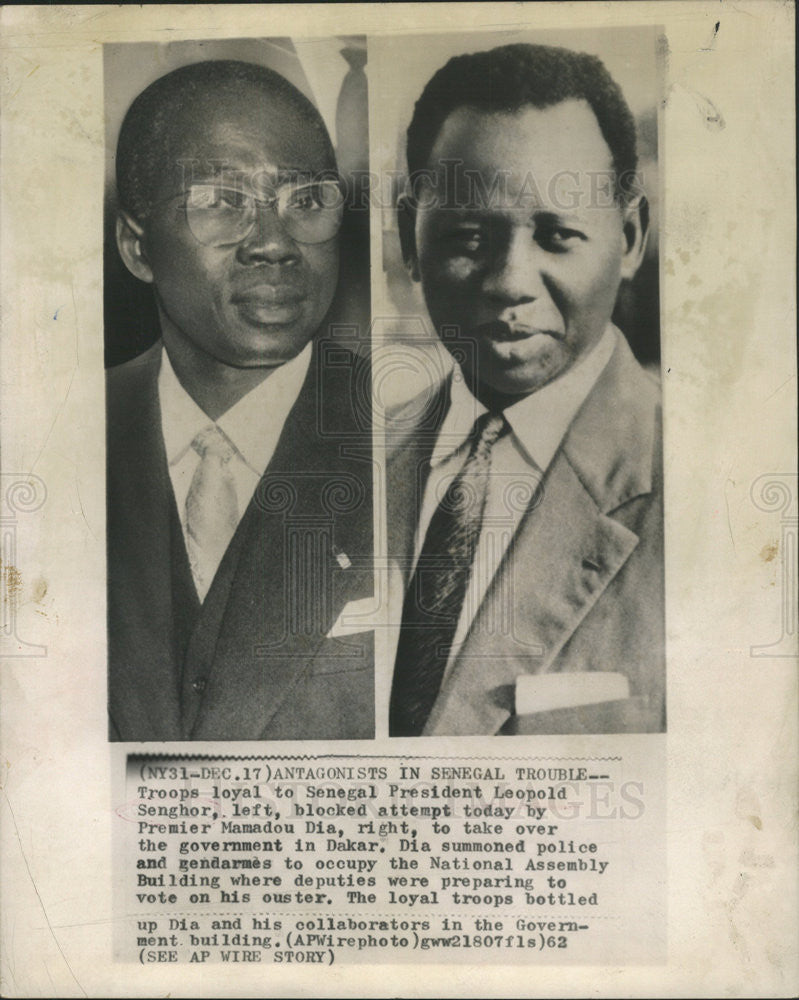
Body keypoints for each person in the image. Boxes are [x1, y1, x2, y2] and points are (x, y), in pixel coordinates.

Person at [387, 43, 665, 737]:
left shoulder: (710, 489)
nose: (509, 282)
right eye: (467, 236)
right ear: (407, 240)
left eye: (558, 235)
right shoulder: (340, 464)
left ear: (628, 238)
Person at [107, 60, 373, 741]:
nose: (273, 244)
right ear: (137, 248)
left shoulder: (415, 437)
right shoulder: (50, 440)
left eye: (306, 201)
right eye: (221, 202)